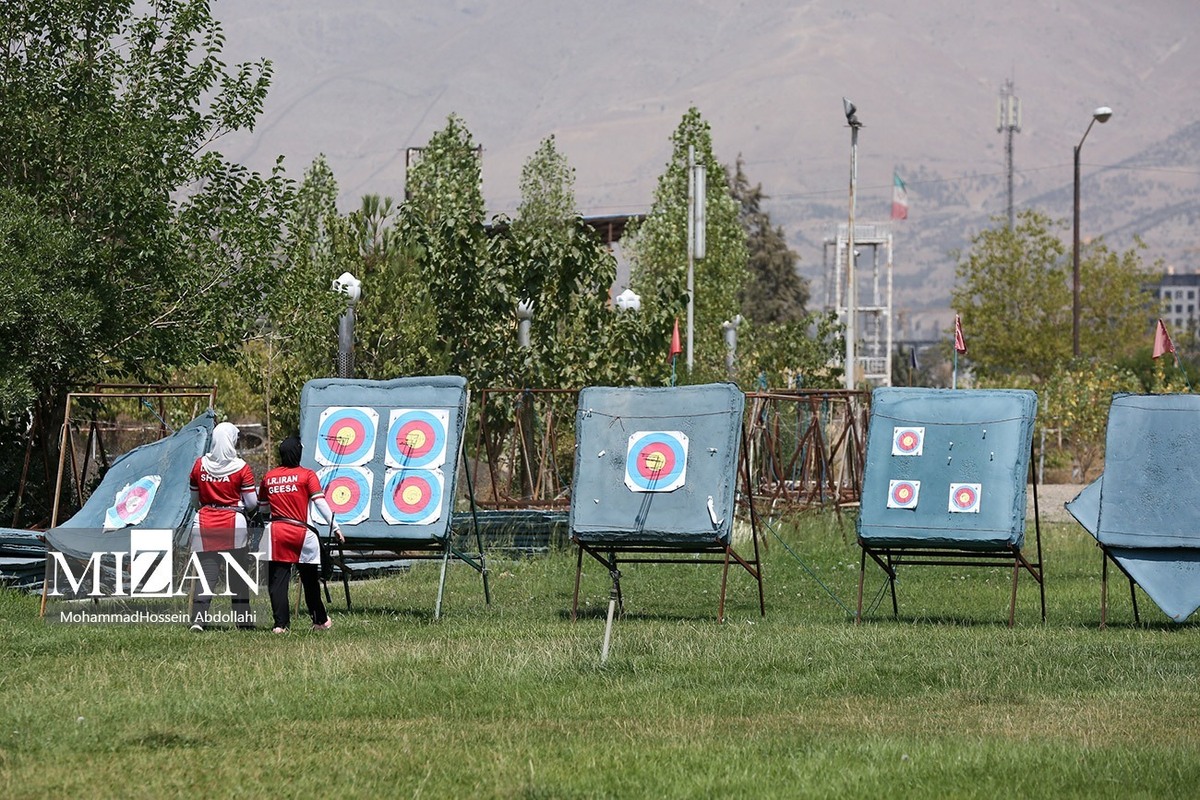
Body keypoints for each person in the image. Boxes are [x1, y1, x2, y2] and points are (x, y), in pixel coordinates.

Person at [258, 435, 343, 633]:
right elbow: (320, 503)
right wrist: (336, 528)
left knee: (278, 581)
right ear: (298, 453)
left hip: (277, 533)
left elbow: (263, 508)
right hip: (302, 534)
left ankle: (280, 625)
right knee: (310, 580)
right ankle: (320, 621)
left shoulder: (269, 477)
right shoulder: (307, 475)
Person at [188, 421, 258, 631]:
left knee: (206, 574)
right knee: (237, 575)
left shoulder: (199, 465)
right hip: (233, 525)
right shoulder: (241, 467)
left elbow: (194, 501)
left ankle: (198, 621)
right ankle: (243, 622)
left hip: (204, 523)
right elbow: (252, 503)